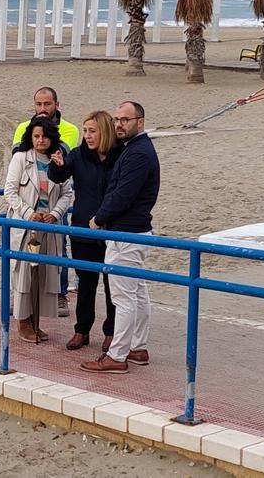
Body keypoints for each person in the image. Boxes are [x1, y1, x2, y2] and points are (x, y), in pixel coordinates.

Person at [80, 101, 159, 374]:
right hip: (134, 231)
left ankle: (118, 355)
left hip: (127, 233)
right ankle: (137, 347)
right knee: (136, 292)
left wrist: (99, 218)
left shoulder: (138, 153)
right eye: (116, 120)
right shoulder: (134, 150)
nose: (119, 125)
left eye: (125, 120)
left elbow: (123, 193)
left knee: (124, 297)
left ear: (141, 121)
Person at [48, 110, 122, 353]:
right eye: (85, 131)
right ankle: (82, 330)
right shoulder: (78, 155)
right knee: (86, 283)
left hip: (113, 230)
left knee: (114, 286)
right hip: (82, 230)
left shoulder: (121, 155)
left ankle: (111, 333)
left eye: (93, 131)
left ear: (105, 131)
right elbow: (59, 175)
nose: (88, 136)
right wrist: (57, 166)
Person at [3, 117, 74, 344]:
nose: (40, 140)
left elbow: (67, 193)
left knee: (45, 274)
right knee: (25, 274)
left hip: (50, 226)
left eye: (44, 136)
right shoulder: (21, 159)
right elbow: (10, 192)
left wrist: (55, 213)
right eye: (36, 136)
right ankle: (23, 322)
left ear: (52, 137)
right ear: (30, 137)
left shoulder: (59, 161)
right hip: (26, 227)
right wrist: (28, 214)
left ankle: (36, 322)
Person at [11, 86, 80, 318]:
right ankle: (22, 303)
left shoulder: (70, 130)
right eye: (38, 104)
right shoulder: (22, 129)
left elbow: (64, 170)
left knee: (58, 251)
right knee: (23, 258)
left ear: (56, 105)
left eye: (47, 104)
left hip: (52, 207)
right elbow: (15, 170)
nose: (42, 109)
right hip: (28, 212)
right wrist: (28, 211)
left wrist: (57, 211)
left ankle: (59, 293)